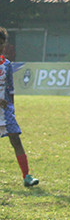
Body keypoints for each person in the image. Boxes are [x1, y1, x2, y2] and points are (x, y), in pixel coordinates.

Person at [0, 27, 39, 187]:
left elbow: (10, 87)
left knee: (16, 139)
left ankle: (27, 176)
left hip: (5, 109)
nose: (1, 47)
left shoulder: (7, 64)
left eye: (2, 43)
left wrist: (12, 107)